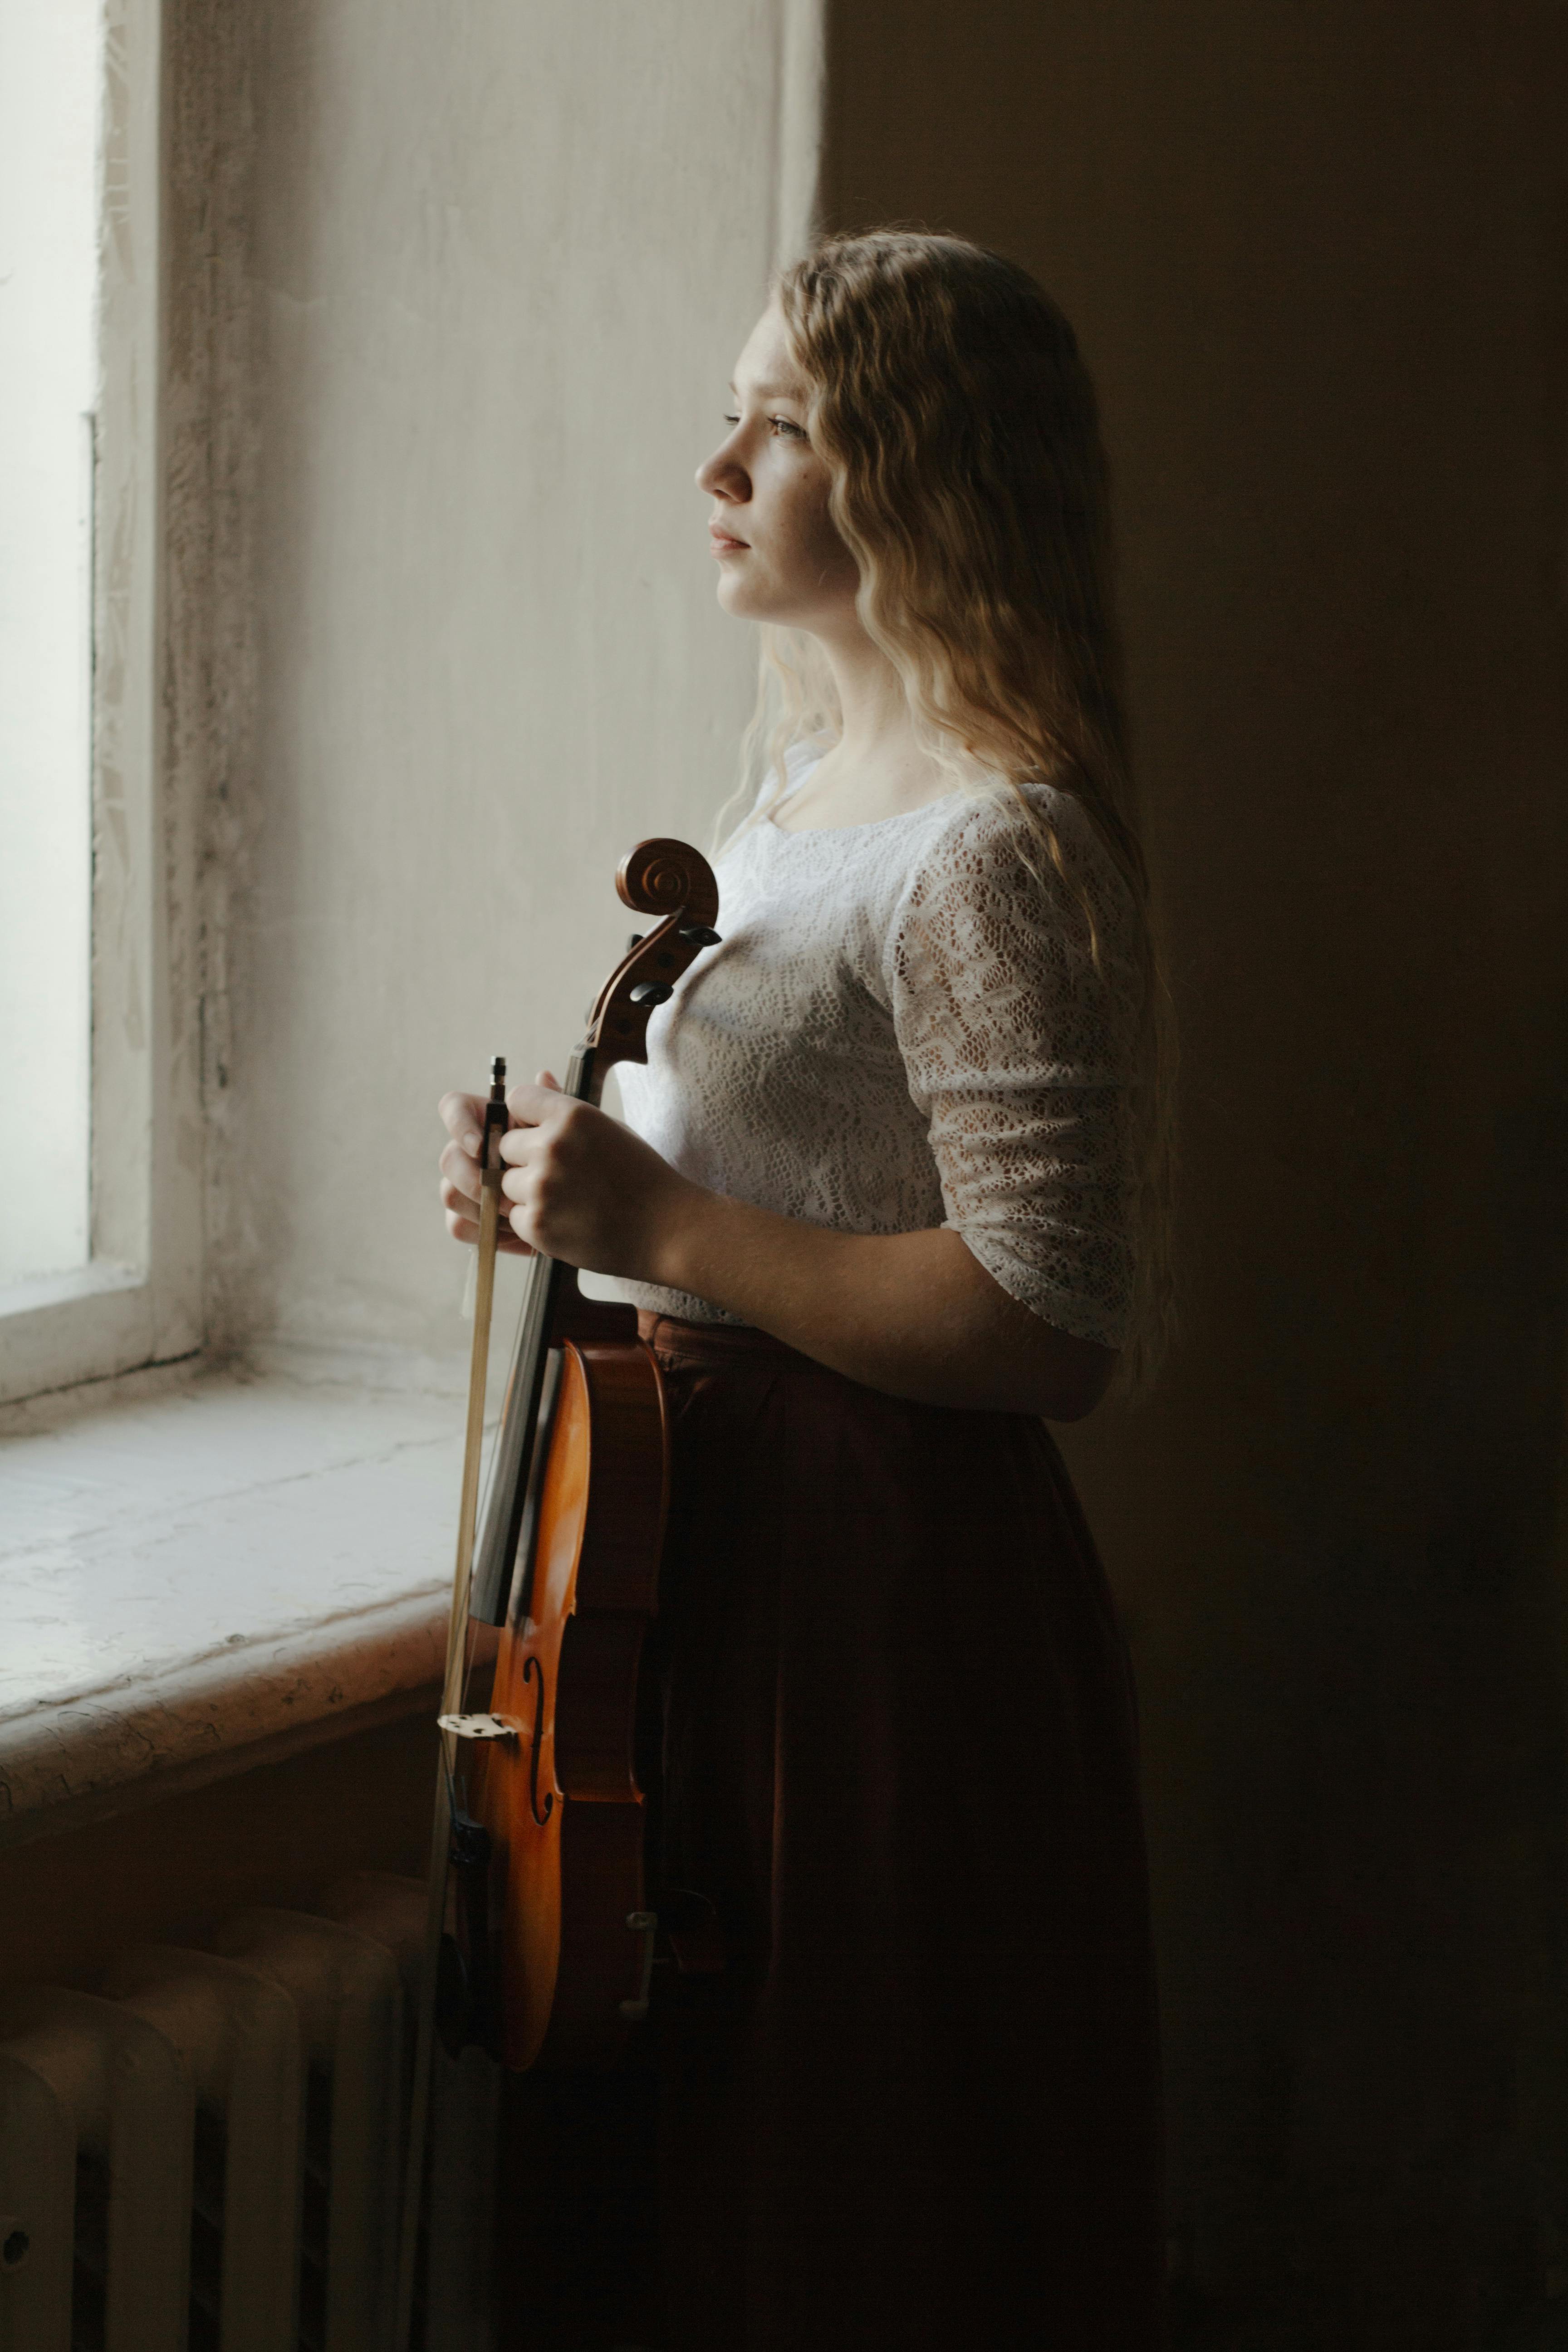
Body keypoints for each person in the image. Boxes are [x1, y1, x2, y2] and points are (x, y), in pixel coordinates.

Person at [438, 229, 1171, 2352]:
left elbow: (1054, 1320)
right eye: (734, 409)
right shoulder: (795, 801)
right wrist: (561, 1194)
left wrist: (660, 1235)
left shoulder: (997, 847)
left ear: (927, 473)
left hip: (876, 1588)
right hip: (709, 1536)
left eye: (787, 423)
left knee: (855, 2165)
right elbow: (784, 1166)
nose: (720, 465)